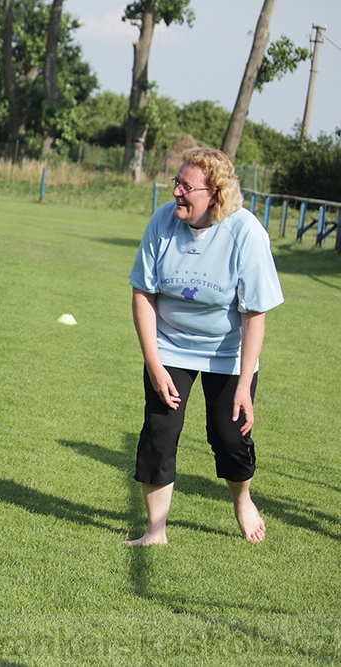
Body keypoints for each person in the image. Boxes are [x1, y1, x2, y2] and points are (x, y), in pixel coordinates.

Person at [126, 147, 284, 546]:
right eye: (176, 182)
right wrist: (155, 363)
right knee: (160, 432)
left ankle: (242, 499)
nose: (175, 191)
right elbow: (143, 293)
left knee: (228, 436)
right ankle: (155, 531)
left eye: (185, 185)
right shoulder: (162, 222)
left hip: (227, 352)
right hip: (171, 346)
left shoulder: (246, 233)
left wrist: (245, 383)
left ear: (215, 194)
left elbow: (255, 313)